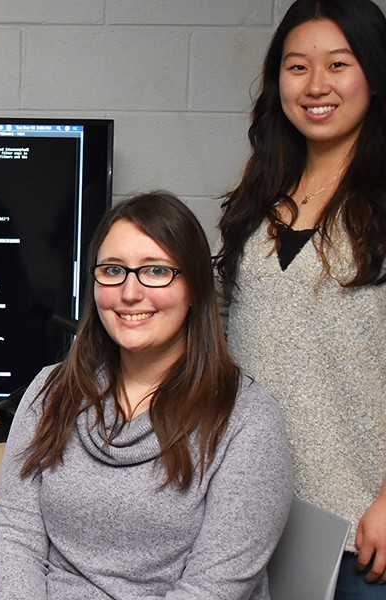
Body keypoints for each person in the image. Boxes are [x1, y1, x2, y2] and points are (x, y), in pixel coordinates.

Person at [0, 192, 293, 599]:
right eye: (113, 270)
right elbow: (14, 536)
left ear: (194, 287)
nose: (130, 292)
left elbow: (213, 588)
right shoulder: (51, 390)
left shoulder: (248, 420)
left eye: (156, 271)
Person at [216, 0, 386, 596]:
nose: (316, 85)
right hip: (253, 518)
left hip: (363, 530)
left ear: (375, 73)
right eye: (297, 67)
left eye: (338, 64)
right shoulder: (258, 198)